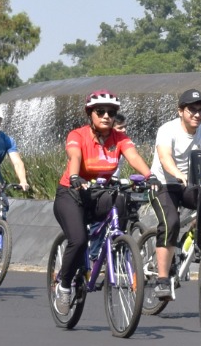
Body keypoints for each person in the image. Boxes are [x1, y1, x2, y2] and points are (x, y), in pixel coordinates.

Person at [51, 91, 151, 313]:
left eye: (111, 112)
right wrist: (75, 176)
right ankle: (65, 285)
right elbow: (74, 156)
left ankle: (115, 244)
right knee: (77, 240)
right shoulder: (78, 134)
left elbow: (133, 157)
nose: (106, 116)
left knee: (122, 198)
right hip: (72, 193)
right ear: (90, 114)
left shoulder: (120, 138)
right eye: (101, 112)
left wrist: (149, 176)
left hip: (98, 194)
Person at [149, 89, 201, 300]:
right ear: (180, 111)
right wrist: (178, 174)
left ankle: (193, 241)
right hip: (163, 184)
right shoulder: (167, 130)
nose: (197, 114)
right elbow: (165, 157)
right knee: (171, 222)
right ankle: (161, 280)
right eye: (192, 110)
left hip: (189, 185)